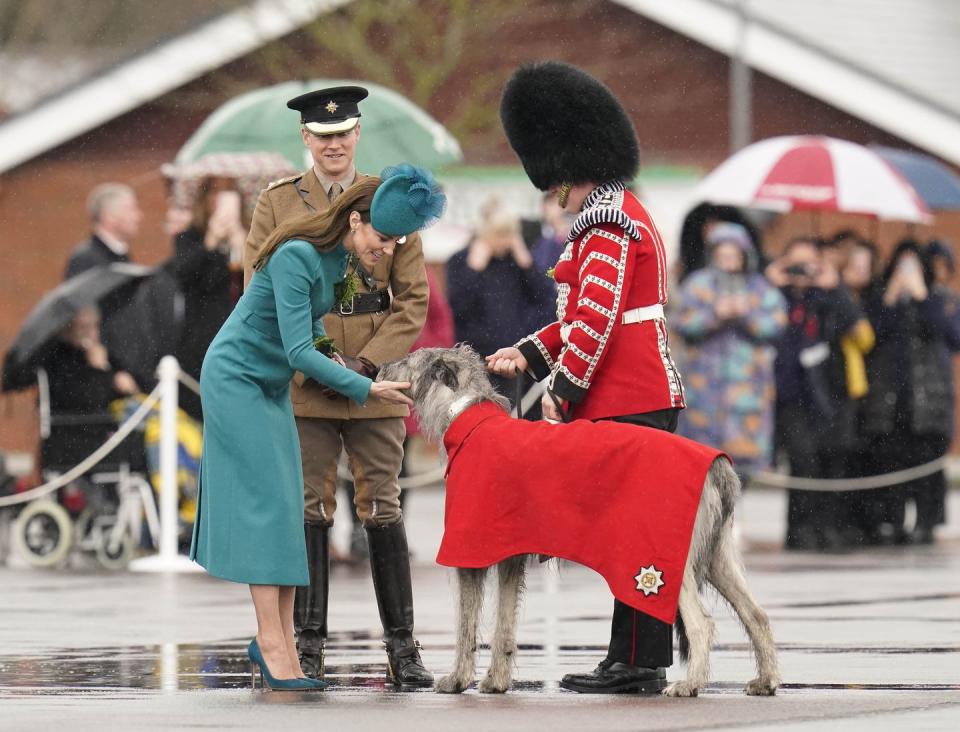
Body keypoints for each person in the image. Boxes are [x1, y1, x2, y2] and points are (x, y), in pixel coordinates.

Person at [190, 167, 444, 691]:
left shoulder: (336, 259)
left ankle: (281, 639)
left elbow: (311, 336)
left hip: (269, 382)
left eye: (395, 240)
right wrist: (363, 388)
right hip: (237, 379)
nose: (388, 249)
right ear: (354, 221)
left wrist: (356, 369)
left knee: (287, 508)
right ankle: (274, 643)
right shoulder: (298, 255)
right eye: (381, 238)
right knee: (268, 508)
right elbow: (298, 349)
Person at [487, 61, 685, 694]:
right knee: (634, 530)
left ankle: (638, 659)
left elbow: (596, 324)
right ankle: (633, 653)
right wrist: (528, 353)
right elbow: (585, 318)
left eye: (553, 188)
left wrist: (561, 393)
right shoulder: (613, 214)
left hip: (630, 395)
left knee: (635, 532)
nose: (553, 198)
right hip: (635, 389)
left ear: (569, 173)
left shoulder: (605, 222)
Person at [241, 86, 432, 686]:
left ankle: (403, 649)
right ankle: (308, 644)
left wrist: (369, 368)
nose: (333, 145)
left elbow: (413, 300)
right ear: (305, 139)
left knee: (383, 505)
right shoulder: (277, 204)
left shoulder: (389, 202)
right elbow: (260, 290)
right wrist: (322, 365)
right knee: (309, 509)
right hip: (308, 382)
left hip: (375, 381)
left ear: (357, 135)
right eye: (322, 137)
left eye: (343, 134)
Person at [766, 237, 868, 551]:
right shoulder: (775, 296)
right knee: (803, 462)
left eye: (808, 264)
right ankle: (799, 530)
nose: (801, 272)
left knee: (831, 461)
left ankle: (827, 529)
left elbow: (856, 326)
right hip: (792, 393)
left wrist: (834, 284)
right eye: (794, 264)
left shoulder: (828, 297)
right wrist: (770, 279)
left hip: (830, 391)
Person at [860, 240, 960, 545]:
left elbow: (952, 336)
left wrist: (922, 296)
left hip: (928, 396)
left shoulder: (941, 298)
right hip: (888, 397)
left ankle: (926, 522)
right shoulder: (880, 297)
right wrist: (890, 297)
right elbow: (869, 337)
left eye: (912, 265)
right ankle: (891, 521)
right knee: (891, 459)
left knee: (927, 463)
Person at [674, 222, 787, 481]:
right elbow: (680, 322)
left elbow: (778, 323)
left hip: (748, 393)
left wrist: (747, 315)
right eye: (722, 255)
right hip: (703, 391)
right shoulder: (698, 284)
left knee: (742, 467)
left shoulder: (759, 287)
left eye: (734, 255)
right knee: (700, 461)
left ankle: (736, 519)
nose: (728, 261)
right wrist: (715, 314)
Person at [446, 198, 555, 407]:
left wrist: (526, 263)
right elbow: (459, 308)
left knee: (521, 424)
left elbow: (545, 299)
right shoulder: (461, 260)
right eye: (499, 235)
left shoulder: (516, 262)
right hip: (477, 362)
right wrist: (474, 269)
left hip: (516, 359)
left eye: (508, 235)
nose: (504, 241)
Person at [168, 178, 246, 421]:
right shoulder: (189, 237)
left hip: (241, 337)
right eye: (215, 194)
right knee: (202, 414)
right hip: (202, 338)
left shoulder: (251, 235)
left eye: (228, 195)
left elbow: (259, 280)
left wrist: (240, 242)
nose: (220, 201)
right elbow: (184, 276)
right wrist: (211, 241)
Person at [64, 184, 142, 279]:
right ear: (109, 217)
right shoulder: (85, 259)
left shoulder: (120, 255)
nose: (138, 216)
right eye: (131, 210)